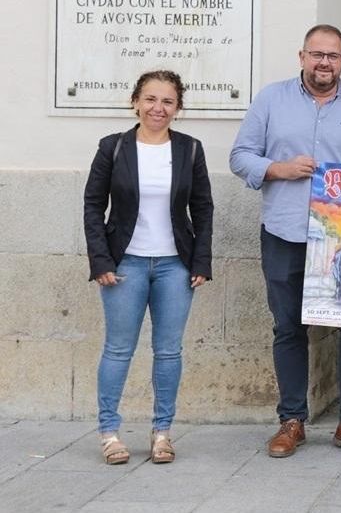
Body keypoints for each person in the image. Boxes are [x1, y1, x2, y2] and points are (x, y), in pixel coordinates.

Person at [230, 24, 341, 459]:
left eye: (333, 56)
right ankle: (292, 420)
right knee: (288, 328)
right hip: (285, 230)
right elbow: (240, 156)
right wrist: (280, 169)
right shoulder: (270, 99)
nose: (324, 63)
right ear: (302, 56)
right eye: (316, 54)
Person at [83, 69, 213, 465]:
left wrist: (201, 260)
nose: (159, 108)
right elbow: (93, 204)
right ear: (136, 101)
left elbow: (203, 208)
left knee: (169, 351)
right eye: (151, 99)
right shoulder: (114, 147)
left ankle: (162, 433)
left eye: (168, 101)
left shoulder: (189, 149)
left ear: (178, 107)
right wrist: (101, 260)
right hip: (125, 265)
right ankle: (109, 433)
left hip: (175, 266)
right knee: (119, 349)